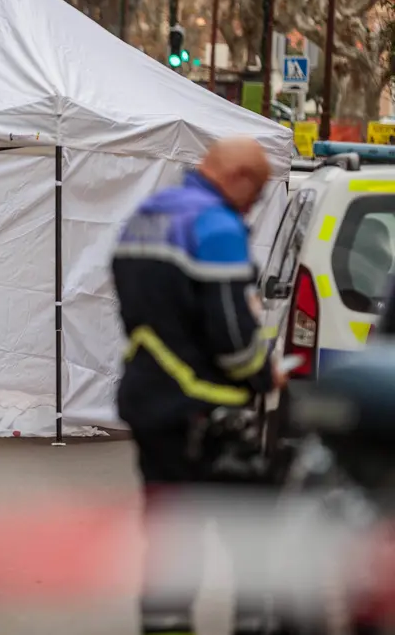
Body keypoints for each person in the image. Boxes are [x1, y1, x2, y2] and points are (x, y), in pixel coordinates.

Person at [112, 138, 288, 635]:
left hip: (150, 400)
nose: (251, 207)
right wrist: (264, 371)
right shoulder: (215, 226)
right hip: (206, 409)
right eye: (254, 194)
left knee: (171, 537)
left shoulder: (147, 215)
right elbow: (233, 341)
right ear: (237, 178)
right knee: (250, 535)